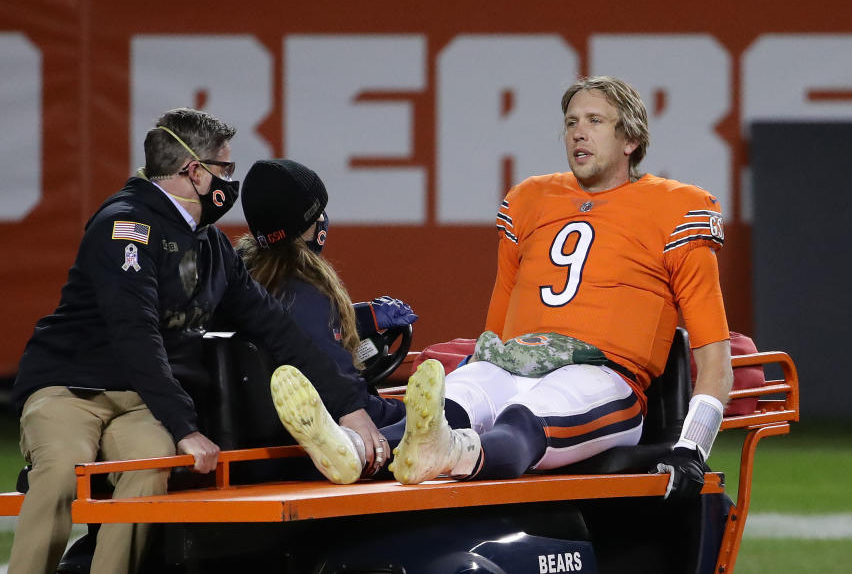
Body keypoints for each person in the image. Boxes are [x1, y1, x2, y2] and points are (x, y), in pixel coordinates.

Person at [10, 108, 382, 574]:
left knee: (148, 473)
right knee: (63, 469)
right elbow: (135, 334)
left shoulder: (210, 247)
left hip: (143, 399)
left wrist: (349, 404)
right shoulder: (125, 227)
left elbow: (277, 327)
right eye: (225, 169)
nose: (231, 182)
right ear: (194, 172)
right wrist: (185, 428)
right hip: (71, 387)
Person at [386, 75, 734, 498]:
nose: (578, 133)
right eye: (570, 123)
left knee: (524, 422)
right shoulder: (529, 200)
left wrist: (693, 446)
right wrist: (483, 362)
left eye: (595, 121)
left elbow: (714, 357)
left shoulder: (677, 209)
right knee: (448, 406)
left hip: (604, 376)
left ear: (631, 140)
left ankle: (449, 452)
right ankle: (355, 447)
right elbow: (495, 330)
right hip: (510, 364)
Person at [236, 158, 417, 478]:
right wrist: (405, 411)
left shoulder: (249, 281)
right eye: (316, 213)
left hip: (256, 444)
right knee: (447, 418)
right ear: (303, 225)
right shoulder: (304, 291)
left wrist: (358, 320)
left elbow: (301, 331)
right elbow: (343, 394)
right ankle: (358, 450)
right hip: (316, 443)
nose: (323, 220)